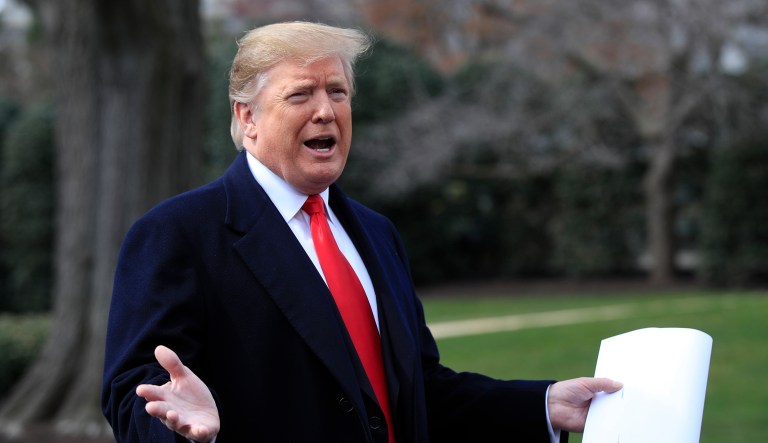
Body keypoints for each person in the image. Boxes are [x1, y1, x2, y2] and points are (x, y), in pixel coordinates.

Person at [101, 21, 621, 443]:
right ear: (248, 117)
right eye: (300, 94)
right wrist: (188, 435)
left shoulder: (376, 233)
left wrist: (543, 405)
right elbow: (134, 397)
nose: (325, 111)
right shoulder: (177, 234)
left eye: (338, 92)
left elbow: (419, 392)